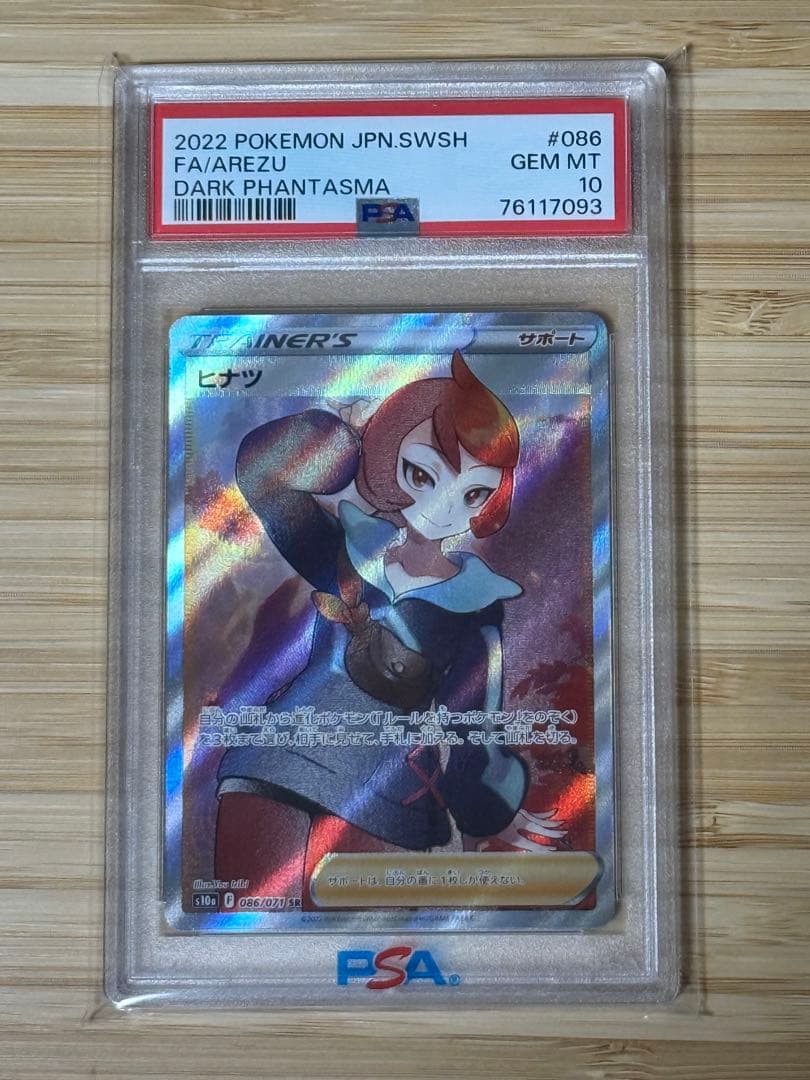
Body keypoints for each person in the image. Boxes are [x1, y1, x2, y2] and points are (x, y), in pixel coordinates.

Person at [213, 351, 564, 905]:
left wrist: (491, 811)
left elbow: (472, 726)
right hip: (277, 763)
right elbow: (265, 475)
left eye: (472, 492)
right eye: (422, 475)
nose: (442, 506)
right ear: (387, 455)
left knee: (352, 924)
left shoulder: (475, 606)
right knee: (243, 928)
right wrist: (335, 441)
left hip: (380, 796)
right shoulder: (346, 550)